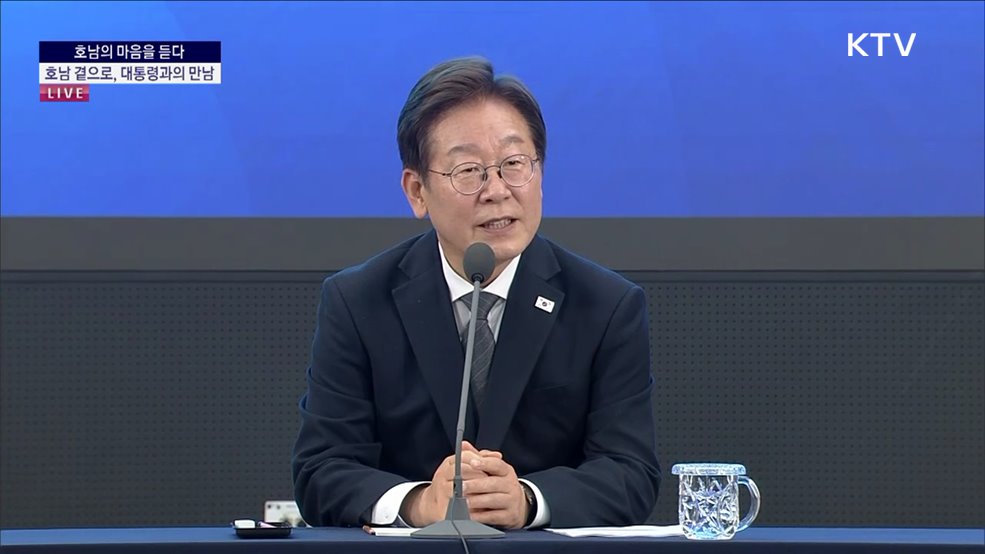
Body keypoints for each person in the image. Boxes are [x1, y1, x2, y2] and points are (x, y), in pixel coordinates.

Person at [291, 56, 660, 529]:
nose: (497, 190)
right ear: (417, 191)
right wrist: (419, 503)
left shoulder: (606, 305)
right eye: (468, 171)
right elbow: (321, 470)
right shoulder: (358, 301)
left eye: (514, 164)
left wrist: (527, 500)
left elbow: (631, 472)